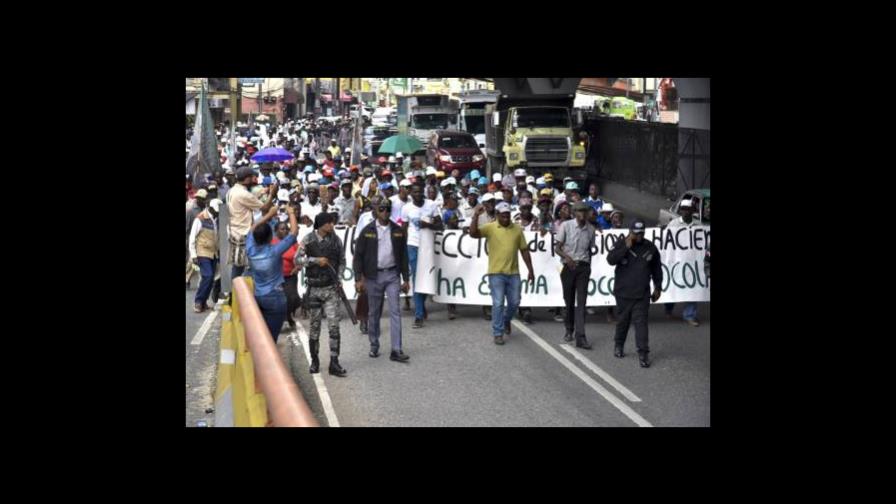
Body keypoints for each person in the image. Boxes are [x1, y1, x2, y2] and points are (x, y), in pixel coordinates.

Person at [470, 201, 535, 345]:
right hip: (496, 273)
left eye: (508, 216)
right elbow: (473, 233)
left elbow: (524, 250)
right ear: (498, 215)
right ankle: (498, 332)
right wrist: (475, 215)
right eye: (503, 216)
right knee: (498, 303)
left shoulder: (517, 229)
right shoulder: (490, 228)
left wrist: (531, 270)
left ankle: (506, 320)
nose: (506, 218)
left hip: (513, 273)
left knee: (515, 301)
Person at [354, 198, 411, 362]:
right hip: (373, 276)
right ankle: (374, 344)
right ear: (376, 210)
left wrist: (405, 279)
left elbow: (403, 256)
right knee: (374, 312)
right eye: (381, 209)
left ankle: (396, 349)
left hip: (392, 274)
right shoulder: (367, 231)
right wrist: (358, 278)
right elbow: (358, 256)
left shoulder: (398, 230)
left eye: (387, 209)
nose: (385, 212)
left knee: (395, 311)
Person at [295, 213, 348, 377]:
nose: (332, 225)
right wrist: (315, 261)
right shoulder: (308, 239)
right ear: (322, 225)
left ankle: (334, 361)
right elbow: (297, 260)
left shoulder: (336, 240)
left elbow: (342, 261)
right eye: (329, 223)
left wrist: (338, 278)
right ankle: (315, 360)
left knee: (334, 327)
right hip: (314, 289)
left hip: (331, 289)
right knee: (315, 327)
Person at [606, 220, 663, 368]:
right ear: (630, 232)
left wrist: (658, 287)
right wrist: (626, 246)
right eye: (636, 233)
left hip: (642, 293)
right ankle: (618, 345)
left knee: (641, 324)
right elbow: (611, 260)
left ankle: (643, 354)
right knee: (623, 322)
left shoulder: (650, 247)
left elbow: (657, 269)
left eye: (641, 233)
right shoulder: (621, 243)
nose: (639, 236)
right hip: (623, 292)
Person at [245, 203, 299, 343]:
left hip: (257, 296)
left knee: (259, 337)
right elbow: (293, 233)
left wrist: (269, 215)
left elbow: (252, 230)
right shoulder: (274, 251)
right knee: (271, 339)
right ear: (271, 238)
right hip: (275, 297)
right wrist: (291, 212)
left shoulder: (251, 250)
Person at [226, 166, 277, 291]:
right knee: (246, 267)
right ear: (247, 179)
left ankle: (234, 293)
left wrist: (262, 192)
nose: (255, 179)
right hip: (243, 234)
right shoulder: (243, 194)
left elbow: (250, 197)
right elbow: (265, 208)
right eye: (252, 177)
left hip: (236, 231)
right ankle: (238, 294)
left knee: (238, 267)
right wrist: (272, 194)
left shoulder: (233, 190)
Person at [555, 202, 597, 349]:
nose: (583, 214)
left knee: (582, 302)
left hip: (583, 267)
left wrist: (587, 266)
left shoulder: (591, 229)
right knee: (569, 300)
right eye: (579, 211)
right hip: (568, 266)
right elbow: (557, 247)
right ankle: (569, 329)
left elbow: (591, 249)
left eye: (585, 211)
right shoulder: (566, 226)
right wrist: (567, 258)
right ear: (574, 213)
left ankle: (581, 336)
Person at [400, 183, 443, 329]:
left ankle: (421, 303)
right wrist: (403, 247)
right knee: (417, 279)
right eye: (415, 192)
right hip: (413, 245)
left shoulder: (431, 205)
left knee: (428, 277)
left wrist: (428, 225)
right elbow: (404, 229)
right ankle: (418, 315)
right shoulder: (406, 208)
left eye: (420, 192)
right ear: (411, 194)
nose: (418, 194)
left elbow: (440, 226)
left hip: (428, 246)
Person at [664, 198, 703, 326]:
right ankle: (668, 308)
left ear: (693, 210)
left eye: (689, 209)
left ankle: (689, 315)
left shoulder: (698, 225)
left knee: (693, 286)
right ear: (680, 210)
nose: (686, 212)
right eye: (684, 209)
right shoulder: (674, 224)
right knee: (673, 286)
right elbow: (666, 243)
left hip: (693, 262)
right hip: (676, 261)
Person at [189, 198, 222, 313]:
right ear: (210, 208)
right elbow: (192, 238)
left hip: (213, 253)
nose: (216, 213)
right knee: (207, 276)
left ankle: (203, 302)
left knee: (211, 278)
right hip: (202, 251)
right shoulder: (200, 218)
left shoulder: (216, 218)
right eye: (215, 211)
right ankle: (198, 302)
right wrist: (193, 255)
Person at [271, 219, 302, 329]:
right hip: (276, 277)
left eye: (287, 229)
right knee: (280, 300)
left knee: (292, 297)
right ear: (276, 231)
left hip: (290, 275)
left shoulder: (292, 242)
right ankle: (283, 318)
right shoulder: (271, 243)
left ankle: (288, 315)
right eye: (282, 229)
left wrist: (298, 266)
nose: (285, 231)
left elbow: (300, 256)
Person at [185, 188, 208, 289]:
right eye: (200, 199)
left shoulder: (206, 209)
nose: (202, 201)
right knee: (191, 260)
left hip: (203, 238)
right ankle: (186, 279)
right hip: (191, 237)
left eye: (204, 199)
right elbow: (186, 226)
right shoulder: (190, 210)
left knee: (196, 260)